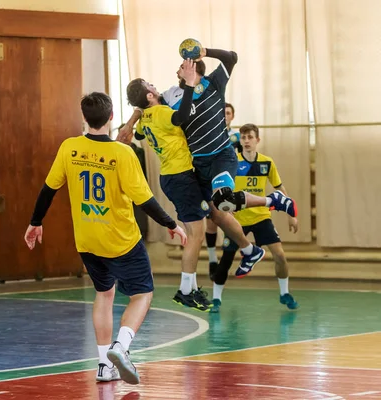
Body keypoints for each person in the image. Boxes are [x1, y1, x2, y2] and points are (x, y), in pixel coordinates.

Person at [24, 92, 187, 385]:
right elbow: (145, 199)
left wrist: (36, 222)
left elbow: (48, 189)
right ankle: (120, 347)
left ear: (83, 118)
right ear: (112, 118)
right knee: (142, 294)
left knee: (104, 294)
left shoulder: (69, 147)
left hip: (87, 239)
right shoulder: (122, 154)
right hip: (121, 239)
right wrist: (171, 224)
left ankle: (103, 366)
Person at [121, 45, 297, 278]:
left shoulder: (213, 83)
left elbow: (232, 57)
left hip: (222, 155)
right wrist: (134, 118)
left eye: (183, 66)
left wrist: (205, 50)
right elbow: (147, 107)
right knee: (219, 211)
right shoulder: (171, 94)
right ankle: (250, 249)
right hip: (198, 164)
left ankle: (273, 201)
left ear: (193, 68)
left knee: (223, 199)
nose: (178, 70)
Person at [123, 79, 212, 311]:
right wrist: (190, 87)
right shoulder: (161, 111)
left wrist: (136, 116)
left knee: (194, 234)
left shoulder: (145, 118)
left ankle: (190, 288)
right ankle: (184, 291)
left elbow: (140, 136)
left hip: (170, 177)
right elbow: (180, 117)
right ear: (150, 96)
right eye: (150, 85)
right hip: (180, 176)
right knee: (197, 234)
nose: (154, 85)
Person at [210, 123, 299, 312]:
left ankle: (284, 293)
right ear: (239, 140)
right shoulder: (232, 162)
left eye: (250, 137)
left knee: (280, 255)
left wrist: (291, 214)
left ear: (257, 140)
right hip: (237, 219)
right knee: (226, 259)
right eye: (243, 137)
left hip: (261, 217)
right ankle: (216, 299)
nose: (247, 141)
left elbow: (279, 188)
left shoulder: (267, 163)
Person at [205, 102, 241, 279]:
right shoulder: (210, 134)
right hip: (211, 181)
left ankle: (225, 266)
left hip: (229, 183)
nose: (225, 116)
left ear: (232, 116)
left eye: (228, 113)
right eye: (223, 113)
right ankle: (212, 260)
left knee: (228, 221)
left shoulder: (237, 136)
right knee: (211, 221)